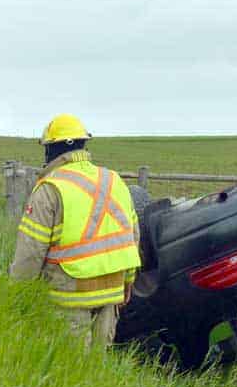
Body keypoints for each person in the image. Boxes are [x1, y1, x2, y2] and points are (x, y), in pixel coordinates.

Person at [9, 114, 142, 346]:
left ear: (51, 149)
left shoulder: (50, 188)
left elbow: (30, 252)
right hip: (111, 291)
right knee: (94, 372)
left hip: (69, 297)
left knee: (68, 370)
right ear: (83, 144)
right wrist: (128, 280)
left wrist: (18, 293)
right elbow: (131, 237)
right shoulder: (114, 180)